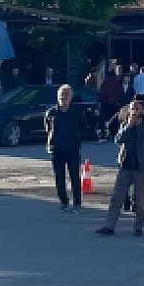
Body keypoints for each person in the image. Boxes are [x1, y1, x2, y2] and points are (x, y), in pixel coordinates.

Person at [97, 99, 144, 236]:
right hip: (125, 165)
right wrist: (129, 126)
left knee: (140, 200)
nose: (135, 111)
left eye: (137, 108)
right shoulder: (125, 124)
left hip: (141, 167)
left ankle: (138, 226)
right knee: (117, 197)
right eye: (133, 108)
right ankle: (109, 225)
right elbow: (118, 140)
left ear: (142, 111)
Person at [44, 85, 90, 214]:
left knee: (74, 176)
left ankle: (77, 203)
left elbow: (83, 126)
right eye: (61, 97)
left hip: (72, 149)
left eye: (66, 97)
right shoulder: (51, 112)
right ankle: (63, 202)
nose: (63, 100)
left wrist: (77, 138)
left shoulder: (77, 111)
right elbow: (48, 128)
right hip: (56, 149)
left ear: (70, 98)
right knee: (59, 177)